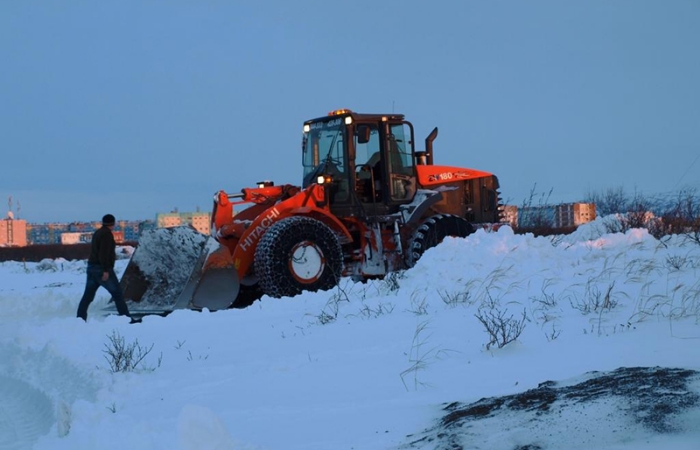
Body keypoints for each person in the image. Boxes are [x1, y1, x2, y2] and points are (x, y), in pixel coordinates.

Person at [77, 214, 138, 323]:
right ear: (113, 223)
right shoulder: (107, 235)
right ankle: (127, 319)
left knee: (88, 296)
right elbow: (104, 253)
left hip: (92, 267)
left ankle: (79, 319)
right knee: (118, 294)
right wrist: (105, 270)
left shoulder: (98, 233)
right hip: (102, 269)